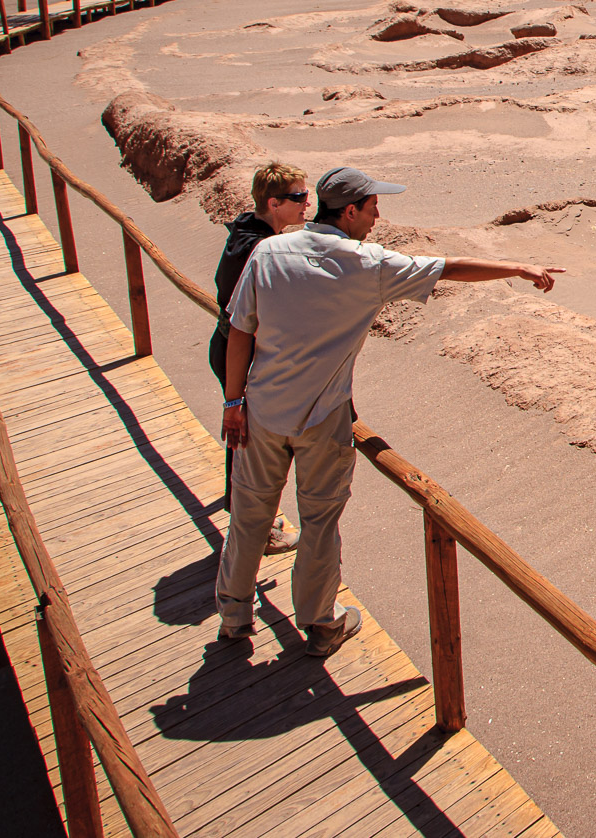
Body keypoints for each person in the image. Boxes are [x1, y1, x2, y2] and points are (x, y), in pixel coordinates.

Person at [215, 166, 563, 657]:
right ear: (350, 210)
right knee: (318, 522)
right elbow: (448, 268)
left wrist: (233, 402)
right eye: (373, 206)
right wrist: (518, 267)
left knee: (250, 516)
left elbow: (240, 330)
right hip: (322, 418)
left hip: (261, 410)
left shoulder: (270, 251)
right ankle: (319, 624)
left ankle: (233, 616)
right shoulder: (368, 265)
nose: (379, 216)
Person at [209, 162, 309, 556]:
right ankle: (258, 530)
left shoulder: (245, 230)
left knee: (242, 439)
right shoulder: (258, 247)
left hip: (229, 347)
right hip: (243, 357)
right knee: (248, 442)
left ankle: (244, 510)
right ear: (273, 202)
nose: (306, 204)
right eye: (299, 197)